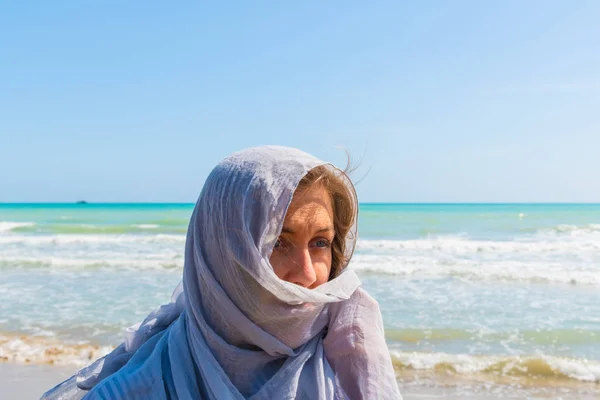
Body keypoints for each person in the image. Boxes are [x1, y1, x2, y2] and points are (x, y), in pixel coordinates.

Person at [42, 146, 401, 399]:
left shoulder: (352, 360)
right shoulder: (138, 388)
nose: (307, 274)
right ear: (224, 254)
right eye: (278, 242)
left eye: (321, 243)